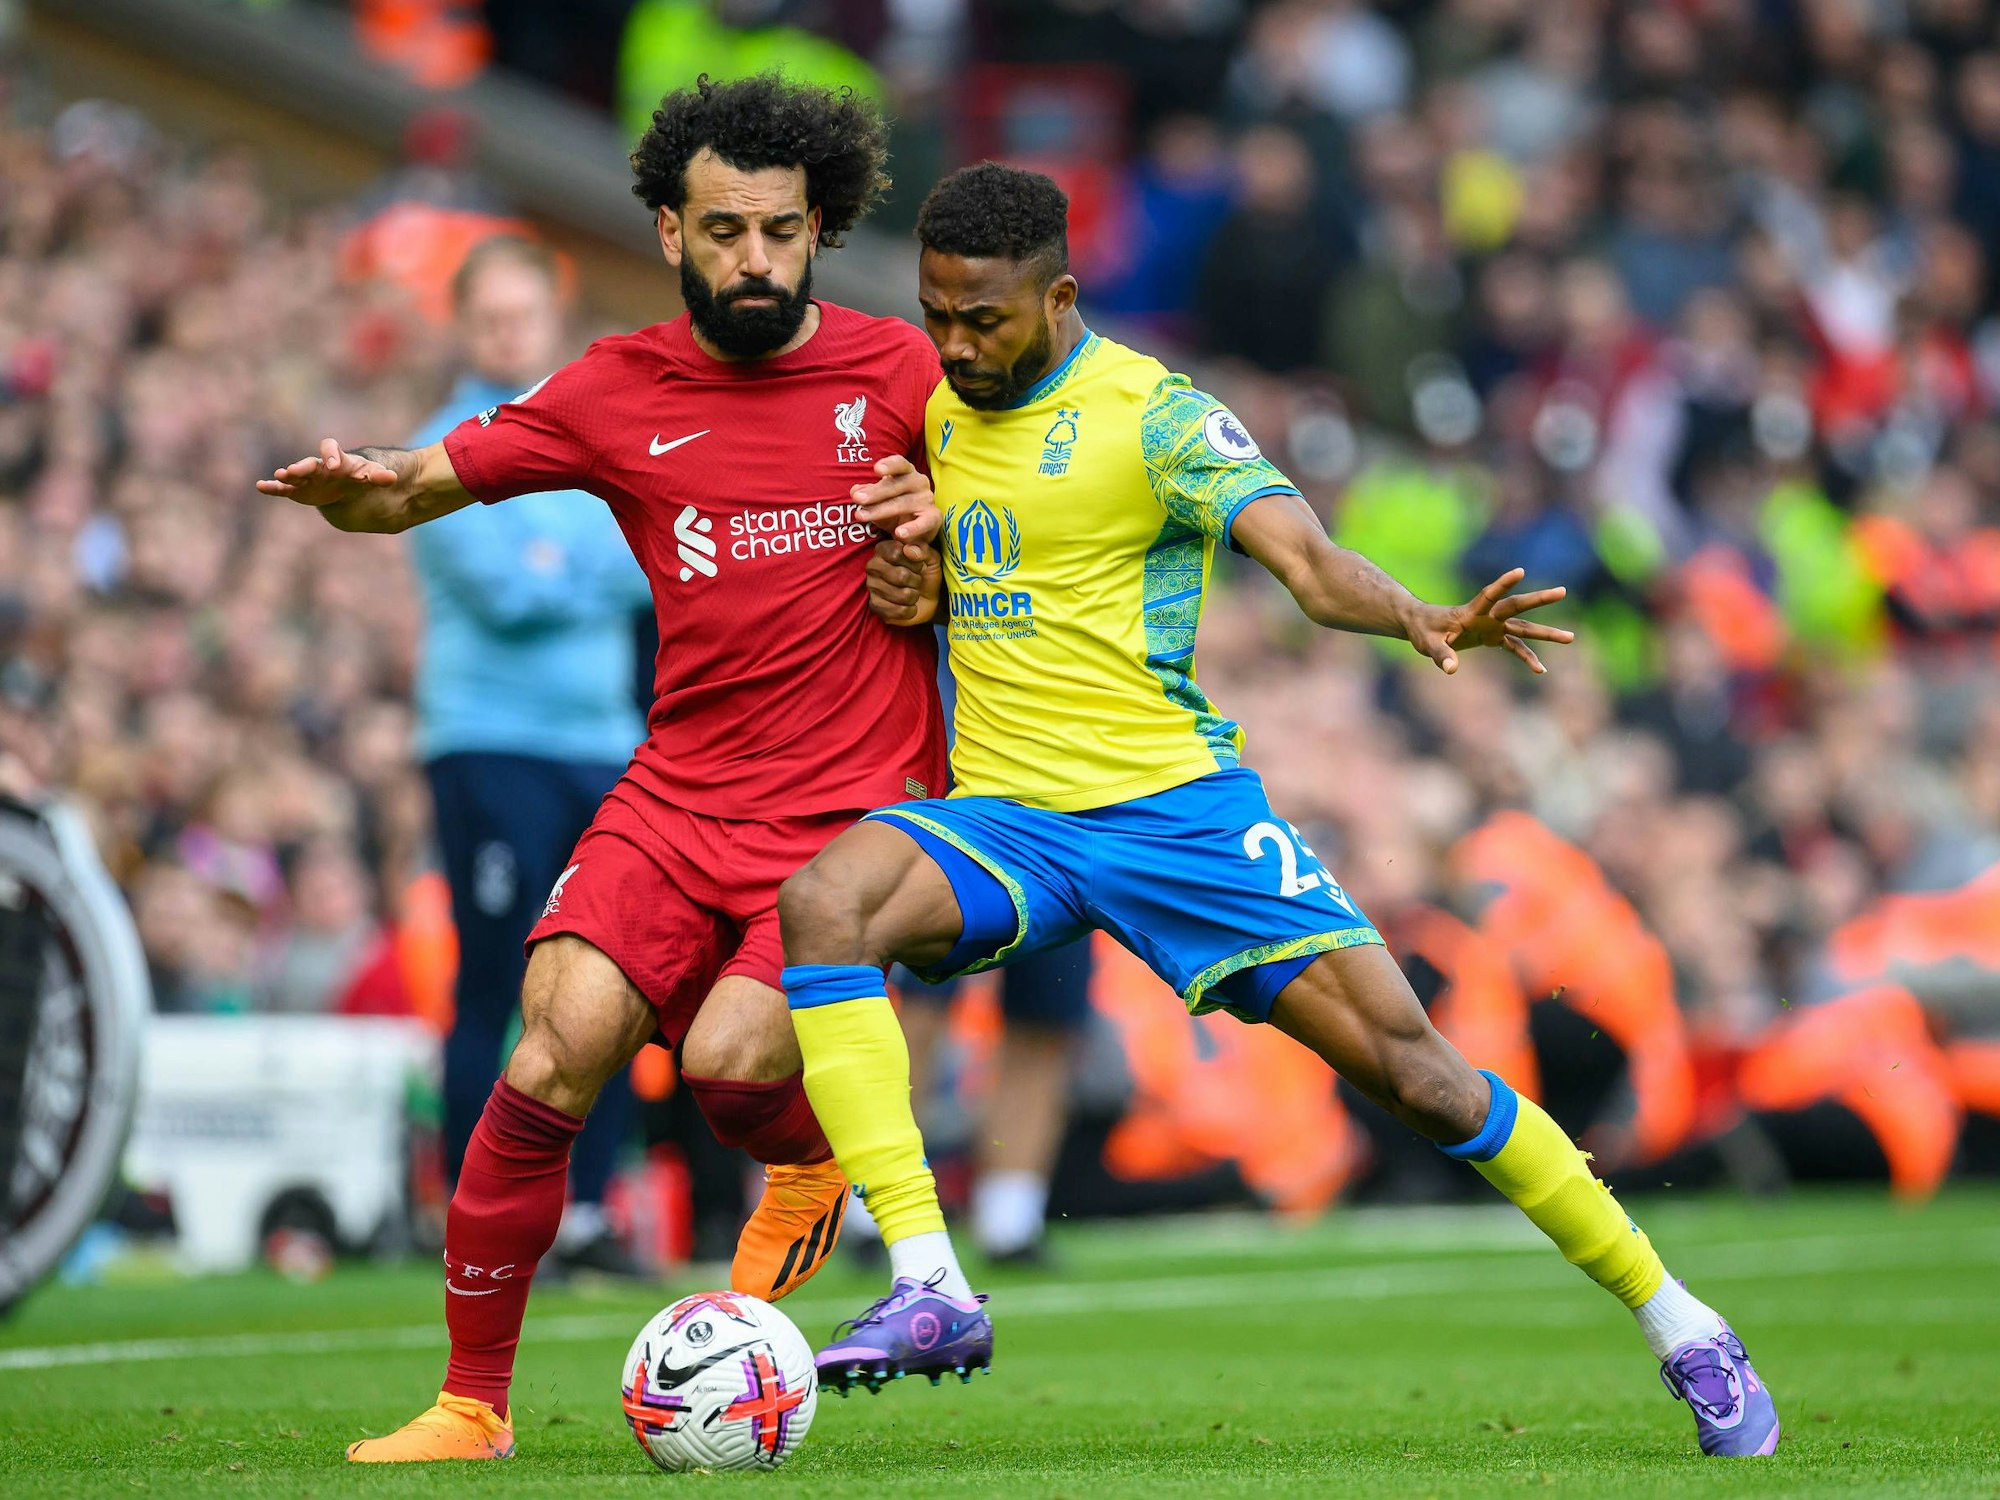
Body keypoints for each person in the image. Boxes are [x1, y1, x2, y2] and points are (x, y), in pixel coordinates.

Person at [775, 164, 1781, 1459]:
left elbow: (1304, 562)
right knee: (826, 904)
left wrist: (1413, 612)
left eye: (983, 319)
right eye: (938, 315)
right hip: (1012, 818)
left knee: (1420, 1076)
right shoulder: (941, 410)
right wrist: (915, 584)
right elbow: (973, 578)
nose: (956, 344)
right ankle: (929, 1281)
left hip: (1176, 817)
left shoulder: (1158, 415)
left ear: (1060, 297)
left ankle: (1682, 1324)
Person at [257, 75, 949, 1464]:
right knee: (555, 1042)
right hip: (679, 793)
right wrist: (355, 496)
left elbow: (1032, 524)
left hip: (849, 819)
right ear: (669, 232)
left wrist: (940, 537)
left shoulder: (902, 374)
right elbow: (415, 484)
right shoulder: (617, 388)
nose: (754, 259)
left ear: (819, 230)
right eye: (723, 230)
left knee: (729, 1063)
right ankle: (471, 1405)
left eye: (781, 231)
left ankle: (809, 1149)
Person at [409, 236, 652, 1277]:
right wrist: (587, 554)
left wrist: (562, 556)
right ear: (463, 324)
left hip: (601, 745)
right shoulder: (437, 445)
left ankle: (588, 1215)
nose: (509, 333)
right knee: (492, 978)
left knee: (609, 978)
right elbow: (508, 592)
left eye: (524, 314)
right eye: (490, 316)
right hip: (487, 741)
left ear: (554, 317)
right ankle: (477, 1216)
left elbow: (649, 558)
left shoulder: (596, 432)